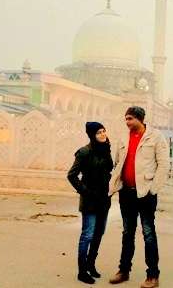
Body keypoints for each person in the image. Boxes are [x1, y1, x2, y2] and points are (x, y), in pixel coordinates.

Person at [108, 106, 169, 288]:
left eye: (130, 119)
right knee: (127, 232)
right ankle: (124, 270)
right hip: (127, 192)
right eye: (126, 119)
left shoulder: (156, 137)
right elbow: (118, 160)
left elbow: (164, 164)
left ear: (140, 119)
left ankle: (152, 276)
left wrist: (153, 189)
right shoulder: (124, 137)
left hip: (145, 193)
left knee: (148, 233)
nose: (127, 123)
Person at [67, 122, 114, 285]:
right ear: (92, 135)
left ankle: (91, 265)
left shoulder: (106, 150)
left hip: (104, 200)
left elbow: (108, 171)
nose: (103, 134)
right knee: (87, 234)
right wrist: (85, 192)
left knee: (99, 233)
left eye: (104, 131)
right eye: (99, 132)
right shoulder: (84, 152)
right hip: (90, 200)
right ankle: (82, 271)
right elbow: (71, 175)